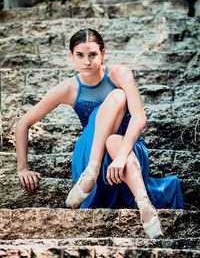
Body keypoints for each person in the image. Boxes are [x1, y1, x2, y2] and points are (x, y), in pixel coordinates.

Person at [15, 28, 185, 239]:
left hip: (126, 149)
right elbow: (22, 124)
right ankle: (95, 172)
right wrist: (23, 168)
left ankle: (143, 205)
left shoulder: (119, 73)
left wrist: (122, 155)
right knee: (116, 98)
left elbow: (139, 117)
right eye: (80, 55)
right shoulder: (69, 88)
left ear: (103, 53)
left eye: (93, 54)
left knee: (115, 131)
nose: (87, 61)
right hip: (89, 152)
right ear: (71, 56)